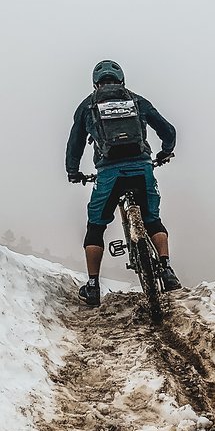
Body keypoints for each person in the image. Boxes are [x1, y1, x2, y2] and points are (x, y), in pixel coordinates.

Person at [66, 60, 182, 307]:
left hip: (109, 175)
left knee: (95, 227)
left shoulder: (87, 106)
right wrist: (164, 152)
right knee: (152, 220)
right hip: (142, 168)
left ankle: (93, 286)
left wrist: (73, 171)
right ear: (122, 81)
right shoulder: (137, 101)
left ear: (96, 83)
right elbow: (168, 131)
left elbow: (75, 143)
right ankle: (167, 269)